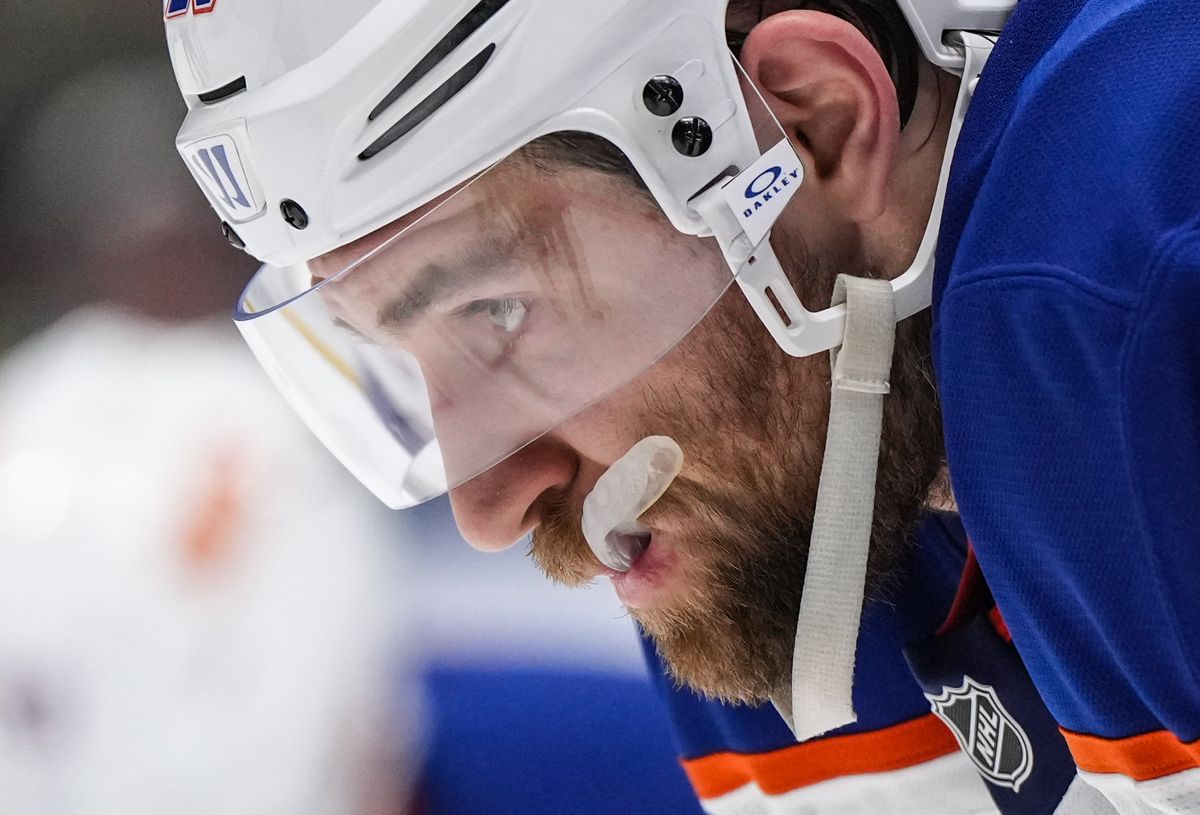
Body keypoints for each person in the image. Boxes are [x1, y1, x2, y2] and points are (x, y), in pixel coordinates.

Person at [162, 0, 1200, 812]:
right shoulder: (795, 508)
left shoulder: (1118, 304)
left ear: (810, 124)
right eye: (403, 358)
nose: (485, 507)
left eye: (501, 309)